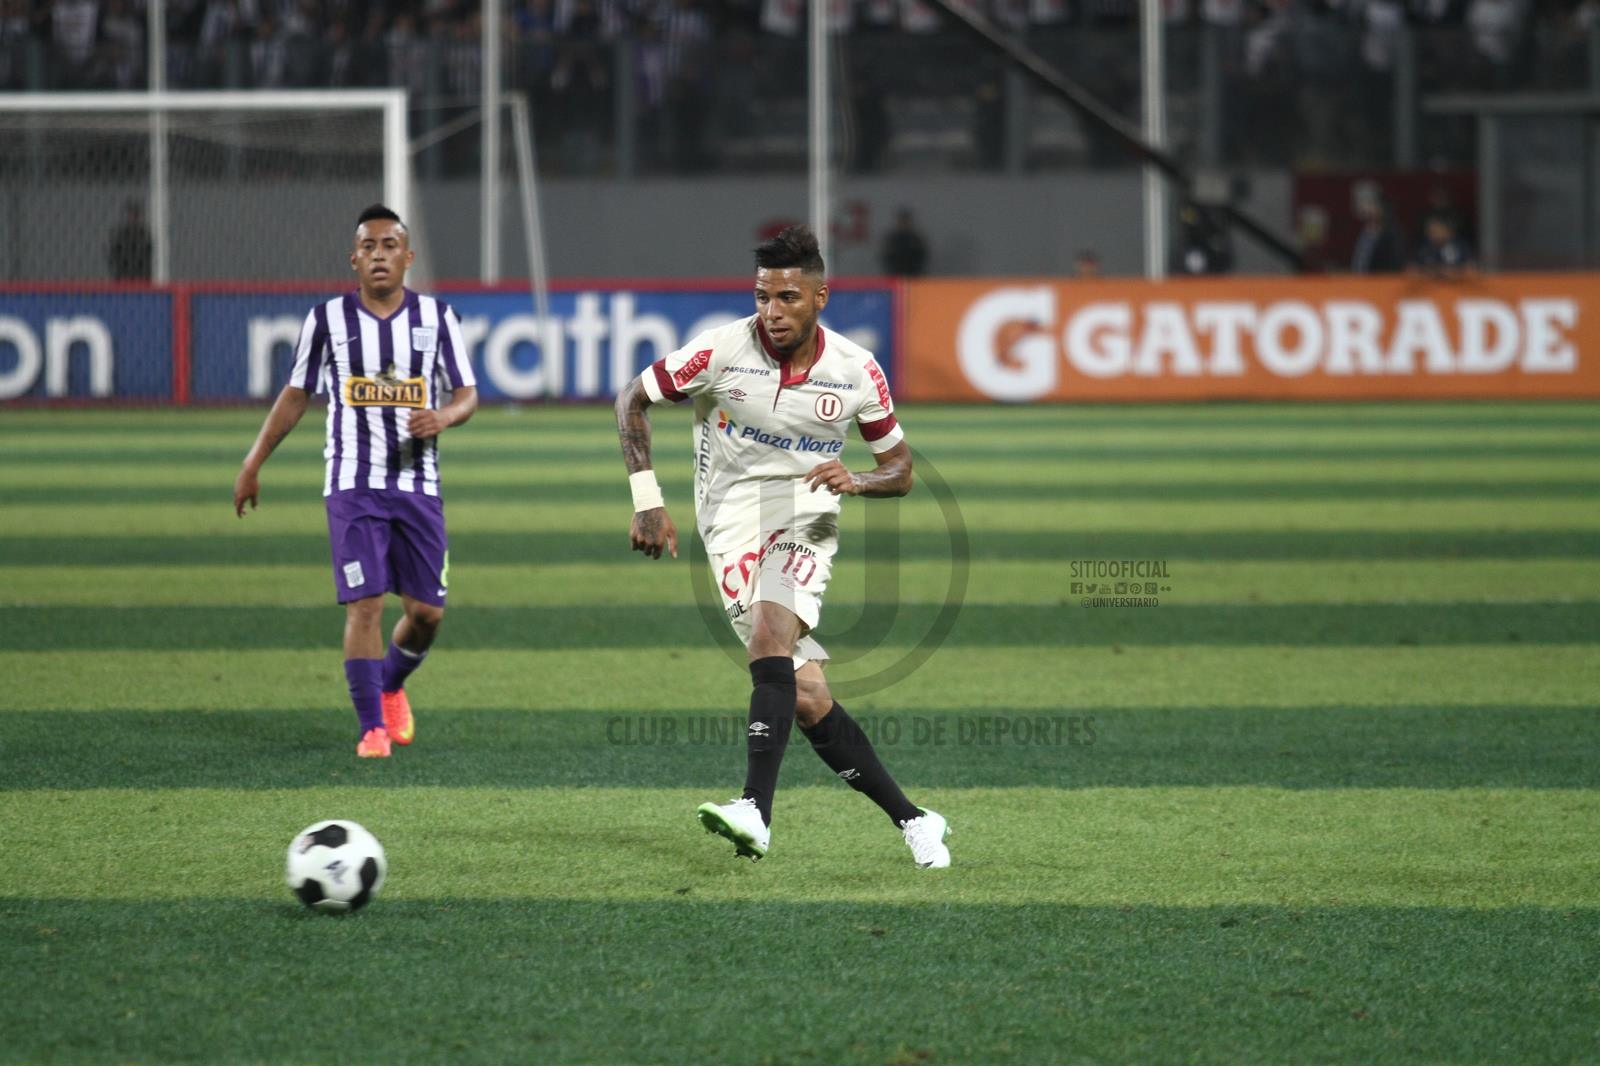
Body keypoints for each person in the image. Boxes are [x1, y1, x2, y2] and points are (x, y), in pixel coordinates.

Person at [613, 224, 951, 869]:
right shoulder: (719, 350)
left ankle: (754, 809)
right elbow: (633, 399)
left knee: (770, 632)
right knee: (806, 696)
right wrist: (647, 499)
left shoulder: (855, 369)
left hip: (806, 514)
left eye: (788, 297)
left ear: (820, 297)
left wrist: (857, 479)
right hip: (729, 523)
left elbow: (901, 468)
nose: (772, 311)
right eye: (763, 296)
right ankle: (914, 818)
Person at [233, 204, 478, 759]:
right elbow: (296, 394)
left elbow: (467, 393)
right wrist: (253, 463)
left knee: (426, 615)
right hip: (352, 484)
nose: (379, 255)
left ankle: (389, 685)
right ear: (354, 260)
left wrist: (442, 416)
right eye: (369, 247)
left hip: (418, 485)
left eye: (389, 246)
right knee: (365, 604)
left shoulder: (438, 318)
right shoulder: (327, 320)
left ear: (408, 257)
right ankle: (372, 728)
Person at [107, 199, 152, 280]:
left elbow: (148, 255)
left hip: (142, 276)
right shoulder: (121, 235)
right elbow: (114, 255)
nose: (134, 219)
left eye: (136, 215)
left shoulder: (145, 235)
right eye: (132, 215)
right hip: (124, 275)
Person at [879, 208, 928, 277]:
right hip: (895, 274)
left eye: (906, 221)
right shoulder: (892, 240)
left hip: (913, 275)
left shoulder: (915, 239)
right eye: (902, 221)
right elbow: (887, 257)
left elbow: (921, 257)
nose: (904, 223)